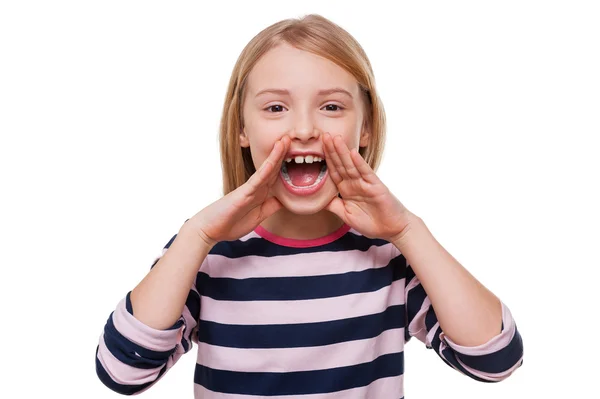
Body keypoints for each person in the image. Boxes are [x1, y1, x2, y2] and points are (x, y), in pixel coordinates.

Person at [95, 13, 524, 398]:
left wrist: (408, 232)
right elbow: (122, 372)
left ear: (366, 128)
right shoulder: (206, 253)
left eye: (332, 106)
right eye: (276, 107)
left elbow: (496, 361)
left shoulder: (389, 255)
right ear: (242, 128)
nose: (303, 128)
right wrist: (196, 236)